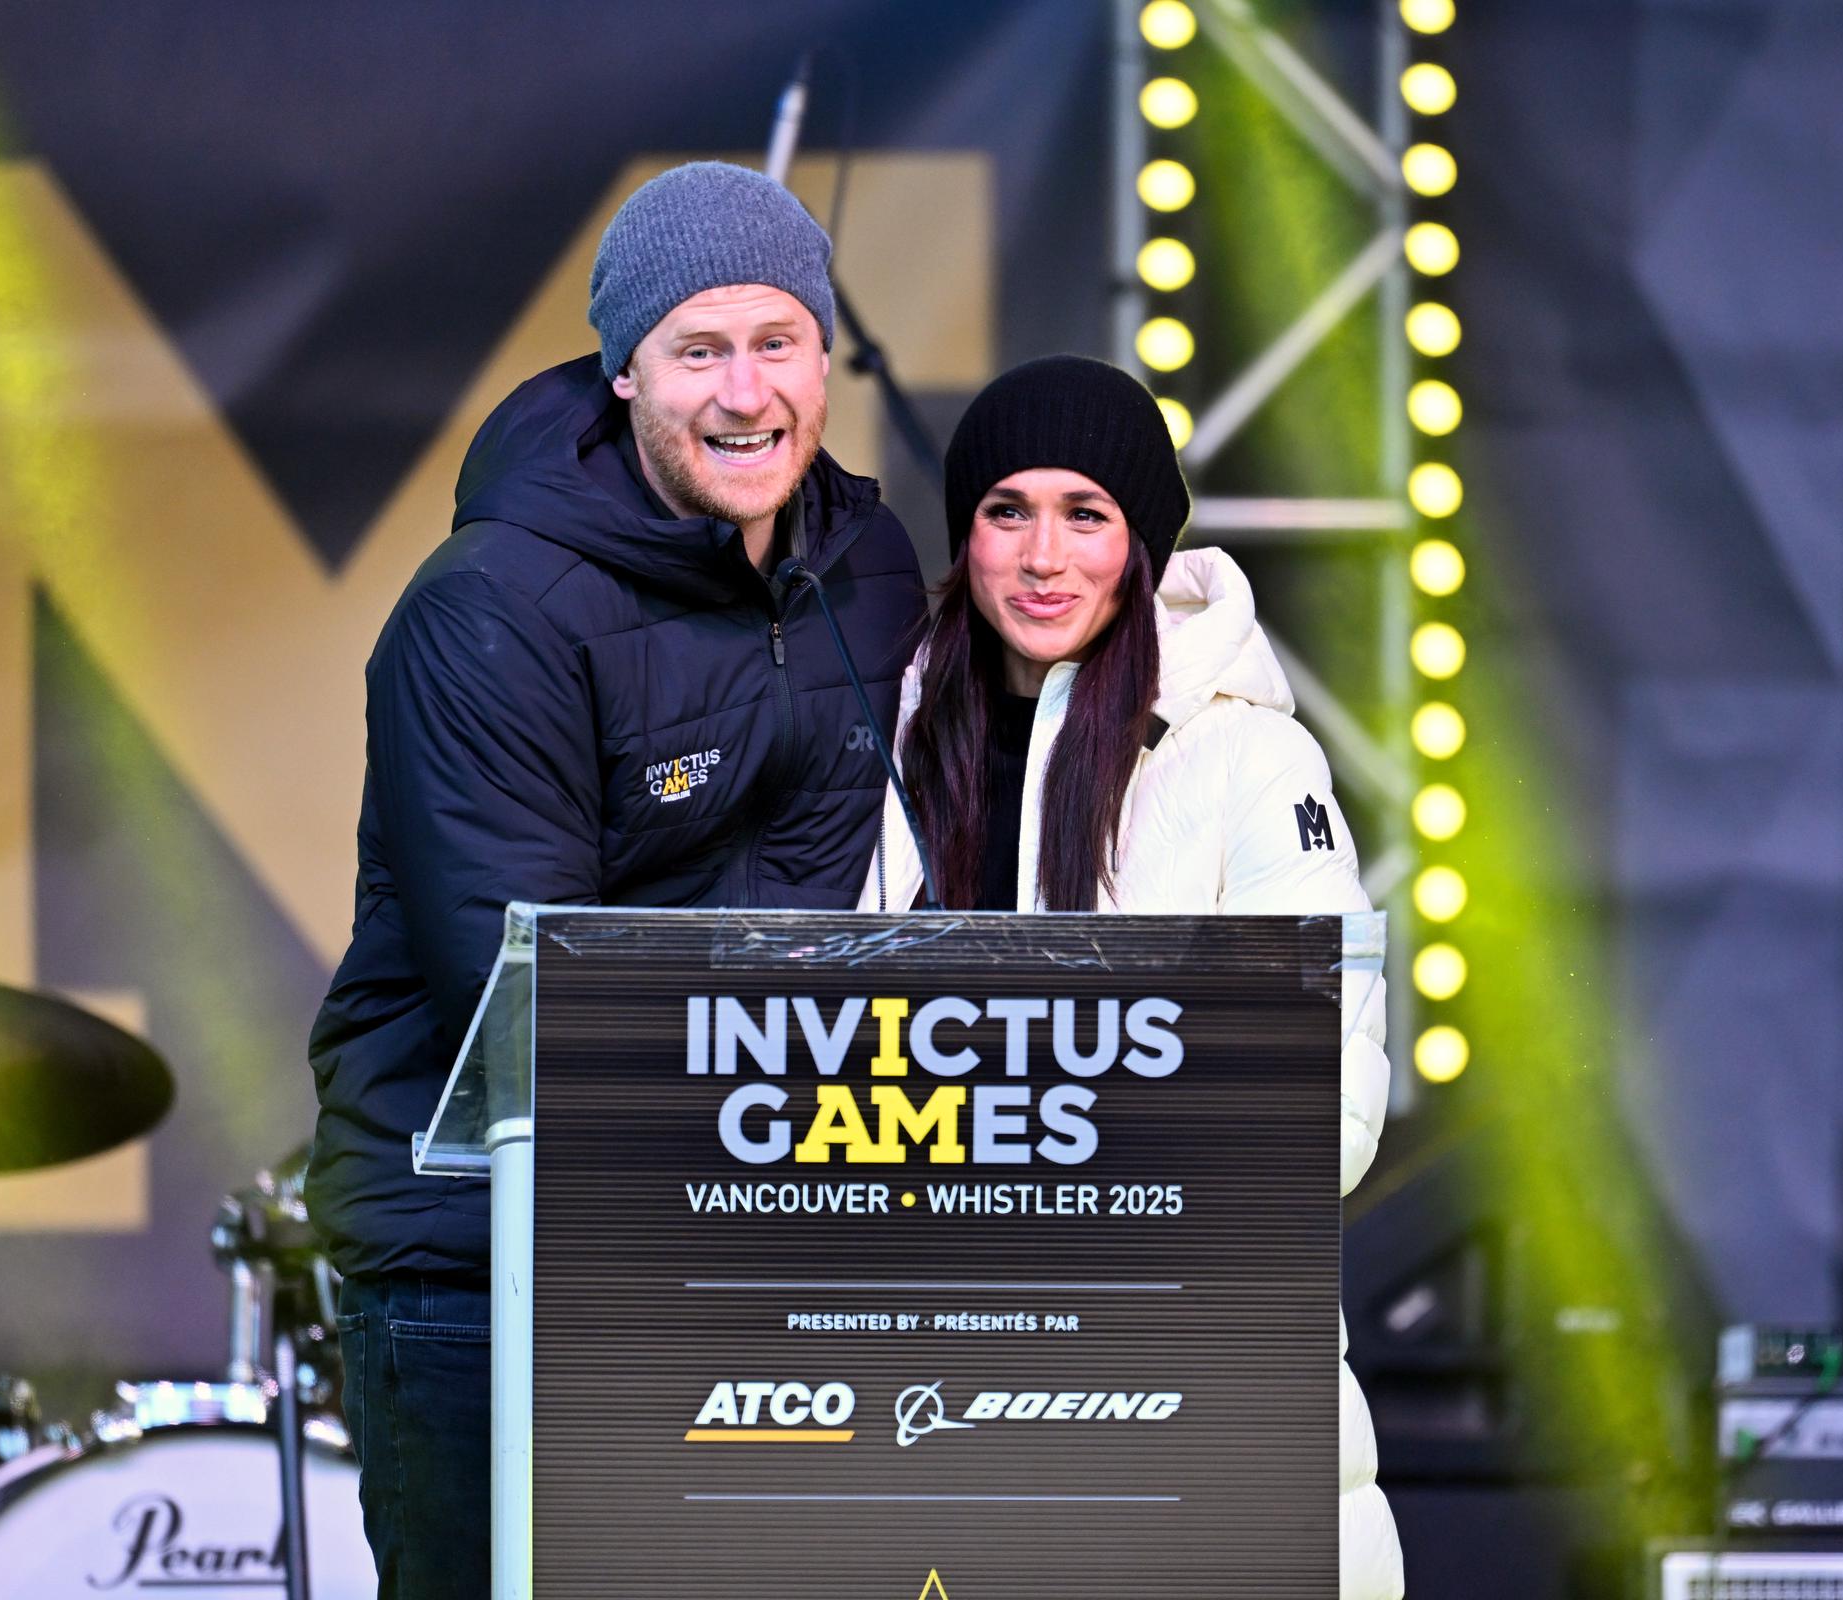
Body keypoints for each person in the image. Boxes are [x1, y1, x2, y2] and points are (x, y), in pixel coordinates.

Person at [309, 161, 922, 1596]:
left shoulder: (870, 566)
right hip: (478, 1266)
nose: (744, 392)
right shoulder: (489, 610)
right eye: (696, 350)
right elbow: (527, 1002)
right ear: (624, 375)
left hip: (745, 1247)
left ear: (824, 355)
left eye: (777, 342)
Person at [856, 354, 1407, 1599]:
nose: (1043, 556)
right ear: (967, 535)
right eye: (1008, 512)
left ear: (1142, 545)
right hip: (931, 1395)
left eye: (1085, 514)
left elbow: (1329, 1104)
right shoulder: (884, 739)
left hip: (1191, 1395)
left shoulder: (1247, 758)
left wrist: (1044, 1159)